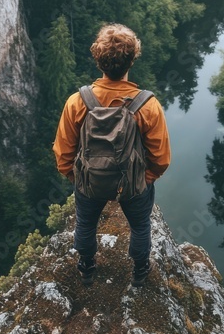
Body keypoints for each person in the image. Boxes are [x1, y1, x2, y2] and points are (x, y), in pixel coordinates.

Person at [52, 24, 171, 287]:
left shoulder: (77, 102)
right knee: (140, 227)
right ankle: (140, 271)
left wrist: (78, 177)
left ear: (98, 60)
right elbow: (160, 158)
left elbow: (63, 151)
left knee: (85, 224)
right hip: (132, 184)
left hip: (89, 183)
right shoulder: (147, 106)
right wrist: (144, 178)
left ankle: (86, 268)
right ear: (132, 59)